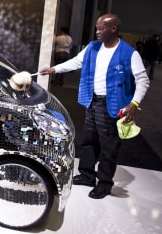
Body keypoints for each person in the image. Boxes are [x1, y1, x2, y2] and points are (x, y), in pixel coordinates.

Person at [39, 14, 150, 199]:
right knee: (89, 141)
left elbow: (143, 80)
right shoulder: (93, 47)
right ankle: (87, 175)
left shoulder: (129, 53)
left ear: (113, 29)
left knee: (109, 146)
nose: (97, 32)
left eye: (101, 29)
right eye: (96, 28)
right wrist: (53, 69)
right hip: (92, 101)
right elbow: (76, 61)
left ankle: (104, 184)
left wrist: (134, 103)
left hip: (113, 105)